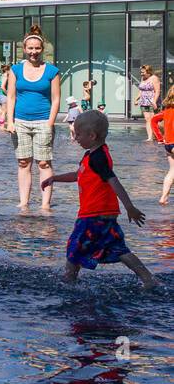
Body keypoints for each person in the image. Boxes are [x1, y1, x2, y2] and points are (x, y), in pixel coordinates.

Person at [43, 109, 153, 289]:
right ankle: (148, 279)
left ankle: (69, 279)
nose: (76, 138)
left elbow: (113, 181)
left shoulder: (98, 157)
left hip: (93, 214)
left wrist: (129, 207)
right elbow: (78, 175)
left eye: (78, 134)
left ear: (92, 135)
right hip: (103, 213)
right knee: (117, 248)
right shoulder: (91, 155)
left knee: (75, 243)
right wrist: (55, 178)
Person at [4, 28, 61, 213]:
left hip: (43, 121)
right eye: (30, 48)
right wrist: (9, 121)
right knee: (23, 162)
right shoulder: (15, 70)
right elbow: (11, 97)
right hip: (20, 121)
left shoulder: (52, 71)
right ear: (24, 49)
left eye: (37, 48)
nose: (33, 52)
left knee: (43, 163)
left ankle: (45, 203)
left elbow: (56, 99)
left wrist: (50, 123)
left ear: (42, 49)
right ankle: (24, 202)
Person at [153, 84, 174, 206]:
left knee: (172, 172)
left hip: (168, 145)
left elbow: (153, 120)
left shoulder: (166, 110)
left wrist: (160, 138)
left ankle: (163, 198)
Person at [137, 65, 159, 141]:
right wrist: (136, 99)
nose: (141, 74)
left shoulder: (154, 78)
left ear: (148, 71)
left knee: (153, 119)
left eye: (143, 72)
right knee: (147, 119)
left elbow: (157, 91)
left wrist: (154, 101)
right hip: (143, 101)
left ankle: (157, 135)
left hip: (151, 101)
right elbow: (140, 90)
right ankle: (150, 137)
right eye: (141, 72)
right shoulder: (143, 78)